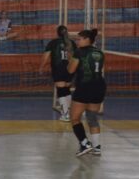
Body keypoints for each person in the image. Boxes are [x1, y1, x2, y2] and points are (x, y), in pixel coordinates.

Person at [65, 29, 106, 157]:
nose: (77, 41)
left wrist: (70, 58)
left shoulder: (79, 52)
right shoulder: (100, 52)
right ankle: (97, 147)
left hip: (84, 87)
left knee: (74, 118)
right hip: (99, 86)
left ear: (87, 39)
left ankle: (84, 143)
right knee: (92, 118)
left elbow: (71, 70)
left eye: (79, 39)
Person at [39, 25, 74, 121]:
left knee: (61, 91)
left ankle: (66, 115)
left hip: (58, 68)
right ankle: (70, 112)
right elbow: (75, 57)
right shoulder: (71, 43)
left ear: (57, 33)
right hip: (70, 68)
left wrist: (41, 67)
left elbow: (45, 56)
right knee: (66, 89)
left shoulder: (53, 43)